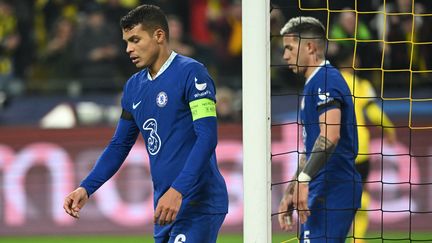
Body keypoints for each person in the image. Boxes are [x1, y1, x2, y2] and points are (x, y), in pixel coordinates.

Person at [63, 4, 228, 243]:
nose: (129, 49)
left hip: (197, 201)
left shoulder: (192, 73)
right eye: (126, 42)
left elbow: (207, 138)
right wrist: (86, 188)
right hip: (164, 204)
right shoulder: (133, 87)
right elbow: (119, 145)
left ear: (159, 35)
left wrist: (178, 190)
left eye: (135, 40)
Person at [277, 16, 362, 242]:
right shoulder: (313, 83)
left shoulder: (326, 80)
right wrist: (291, 190)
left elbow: (330, 136)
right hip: (323, 186)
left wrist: (303, 181)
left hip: (334, 187)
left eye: (289, 47)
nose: (284, 55)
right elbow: (311, 149)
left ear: (310, 47)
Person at [337, 52, 397, 243]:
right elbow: (374, 112)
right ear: (354, 62)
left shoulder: (330, 83)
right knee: (361, 193)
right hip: (360, 148)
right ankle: (358, 239)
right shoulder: (361, 85)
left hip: (336, 148)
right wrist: (390, 129)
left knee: (333, 193)